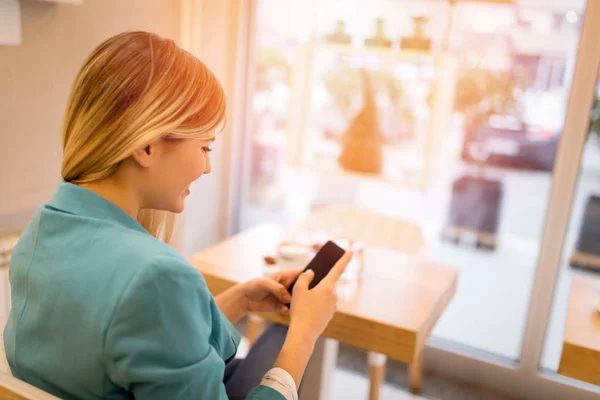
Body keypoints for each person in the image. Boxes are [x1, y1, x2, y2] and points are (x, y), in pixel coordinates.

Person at [4, 31, 352, 400]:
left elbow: (138, 342)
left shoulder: (41, 232)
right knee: (284, 338)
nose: (207, 167)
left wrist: (241, 300)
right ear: (146, 145)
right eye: (204, 146)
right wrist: (305, 335)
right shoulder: (156, 277)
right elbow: (147, 317)